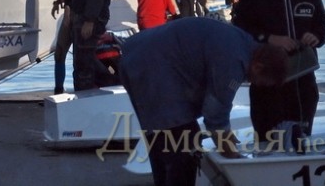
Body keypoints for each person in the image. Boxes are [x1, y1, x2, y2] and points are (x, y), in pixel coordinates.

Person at [119, 18, 288, 186]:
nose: (256, 84)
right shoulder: (233, 61)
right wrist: (230, 152)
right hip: (154, 65)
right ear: (258, 67)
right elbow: (215, 112)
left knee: (163, 141)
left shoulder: (243, 44)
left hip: (139, 54)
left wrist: (225, 136)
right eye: (261, 82)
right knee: (182, 143)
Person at [231, 0, 325, 142]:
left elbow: (321, 26)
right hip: (266, 77)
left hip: (302, 77)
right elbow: (239, 27)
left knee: (301, 136)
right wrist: (269, 38)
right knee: (267, 137)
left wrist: (316, 36)